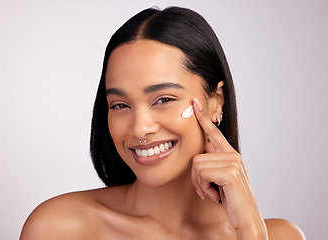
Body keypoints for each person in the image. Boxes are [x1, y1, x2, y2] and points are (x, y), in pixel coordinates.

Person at [20, 6, 305, 240]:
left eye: (164, 99)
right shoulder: (58, 228)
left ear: (216, 100)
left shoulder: (280, 236)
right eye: (120, 105)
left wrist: (250, 233)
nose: (140, 128)